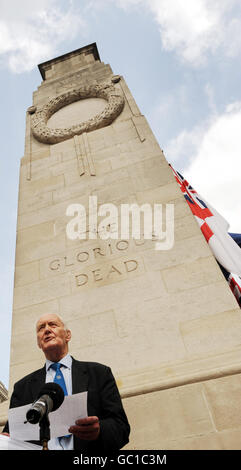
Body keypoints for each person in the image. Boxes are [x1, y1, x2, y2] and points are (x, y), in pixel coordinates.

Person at [3, 313, 130, 453]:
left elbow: (121, 427)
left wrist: (99, 430)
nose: (46, 330)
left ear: (67, 335)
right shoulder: (22, 387)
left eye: (53, 325)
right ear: (39, 343)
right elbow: (11, 434)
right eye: (41, 328)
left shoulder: (99, 373)